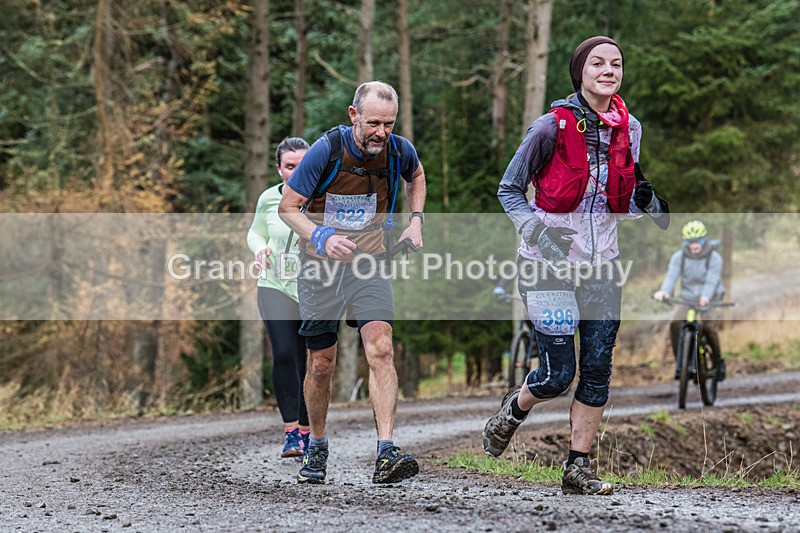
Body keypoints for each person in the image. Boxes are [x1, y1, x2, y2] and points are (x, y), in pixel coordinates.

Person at [483, 36, 669, 495]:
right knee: (557, 374)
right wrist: (538, 232)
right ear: (580, 72)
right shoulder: (551, 127)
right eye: (598, 63)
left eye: (617, 64)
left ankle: (578, 466)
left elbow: (618, 198)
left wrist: (645, 202)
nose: (609, 70)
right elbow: (509, 190)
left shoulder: (631, 128)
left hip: (603, 265)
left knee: (599, 367)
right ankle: (513, 409)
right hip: (546, 265)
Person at [278, 81, 426, 484]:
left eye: (389, 124)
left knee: (380, 347)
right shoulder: (326, 151)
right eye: (374, 122)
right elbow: (287, 208)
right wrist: (322, 236)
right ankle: (318, 446)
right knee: (322, 364)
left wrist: (415, 221)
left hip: (369, 263)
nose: (381, 132)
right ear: (353, 115)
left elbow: (416, 174)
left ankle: (386, 450)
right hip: (319, 268)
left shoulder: (399, 150)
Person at [247, 137, 310, 459]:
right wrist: (261, 250)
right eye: (289, 166)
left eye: (302, 164)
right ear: (279, 169)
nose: (296, 171)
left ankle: (310, 432)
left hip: (315, 288)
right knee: (284, 354)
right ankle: (291, 435)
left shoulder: (323, 197)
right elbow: (255, 231)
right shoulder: (269, 199)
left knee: (311, 362)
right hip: (274, 284)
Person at [654, 220, 726, 380]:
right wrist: (664, 292)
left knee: (708, 328)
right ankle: (681, 363)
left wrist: (706, 297)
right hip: (687, 299)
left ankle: (718, 362)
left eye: (698, 241)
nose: (694, 246)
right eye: (690, 242)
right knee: (674, 324)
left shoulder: (714, 258)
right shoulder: (678, 257)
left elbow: (711, 280)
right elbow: (671, 276)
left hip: (711, 298)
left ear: (704, 240)